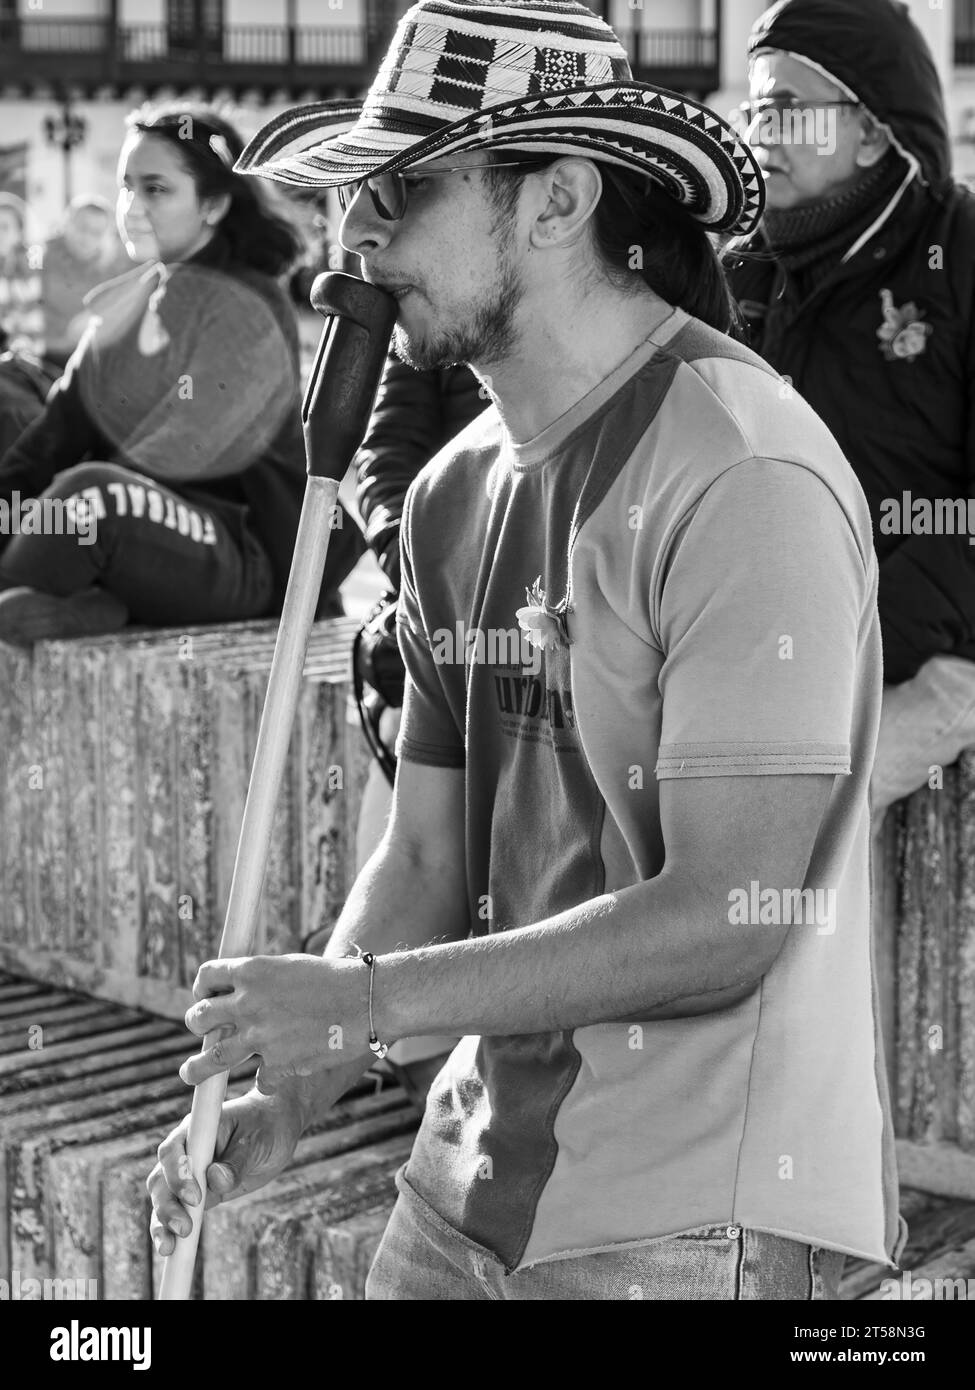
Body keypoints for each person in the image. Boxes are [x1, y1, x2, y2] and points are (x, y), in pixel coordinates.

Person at [148, 0, 903, 1300]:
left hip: (687, 1225)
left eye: (400, 188)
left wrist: (353, 1006)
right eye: (351, 195)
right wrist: (297, 1083)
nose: (356, 233)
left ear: (555, 199)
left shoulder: (744, 470)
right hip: (459, 1191)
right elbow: (430, 858)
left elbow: (728, 912)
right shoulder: (449, 493)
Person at [725, 0, 975, 824]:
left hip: (924, 667)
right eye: (753, 109)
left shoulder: (959, 252)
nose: (760, 134)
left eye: (785, 111)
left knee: (794, 838)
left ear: (871, 131)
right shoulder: (738, 272)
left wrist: (851, 645)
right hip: (754, 669)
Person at [0, 103, 361, 644]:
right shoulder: (122, 311)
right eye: (127, 187)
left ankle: (91, 599)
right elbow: (48, 441)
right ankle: (90, 603)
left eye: (156, 189)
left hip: (251, 555)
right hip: (152, 535)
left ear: (213, 204)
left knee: (89, 497)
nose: (131, 208)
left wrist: (66, 498)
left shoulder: (248, 305)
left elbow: (184, 448)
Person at [42, 194, 132, 368]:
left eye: (97, 232)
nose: (87, 237)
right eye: (82, 228)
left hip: (92, 358)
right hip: (47, 355)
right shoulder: (42, 258)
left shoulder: (116, 267)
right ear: (67, 223)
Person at [0, 192, 43, 359]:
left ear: (19, 232)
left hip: (19, 357)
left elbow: (33, 320)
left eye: (5, 227)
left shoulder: (30, 272)